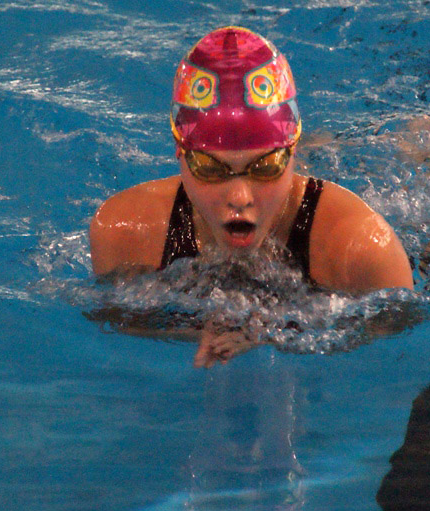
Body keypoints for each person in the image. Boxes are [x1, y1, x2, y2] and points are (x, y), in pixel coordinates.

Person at [89, 26, 413, 365]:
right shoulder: (123, 231)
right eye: (210, 168)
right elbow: (121, 323)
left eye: (266, 166)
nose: (240, 196)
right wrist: (199, 332)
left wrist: (275, 333)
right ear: (179, 152)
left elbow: (396, 335)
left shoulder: (361, 248)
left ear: (292, 151)